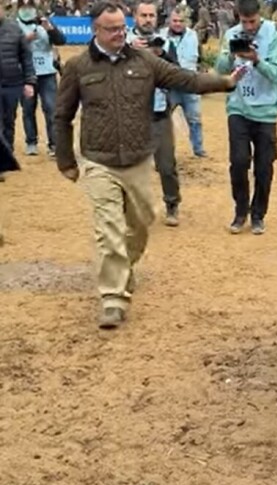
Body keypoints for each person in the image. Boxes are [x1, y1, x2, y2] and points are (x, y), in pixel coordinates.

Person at [54, 1, 244, 330]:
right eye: (111, 29)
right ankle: (113, 297)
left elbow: (184, 79)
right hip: (99, 161)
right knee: (109, 231)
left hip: (139, 158)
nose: (118, 34)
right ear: (94, 30)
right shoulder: (79, 67)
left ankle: (123, 270)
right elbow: (62, 116)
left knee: (142, 224)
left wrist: (224, 82)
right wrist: (66, 161)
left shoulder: (144, 61)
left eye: (120, 28)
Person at [215, 0, 277, 235]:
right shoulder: (232, 34)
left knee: (264, 166)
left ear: (260, 16)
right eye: (244, 21)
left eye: (252, 21)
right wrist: (230, 54)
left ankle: (258, 215)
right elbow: (220, 68)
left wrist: (257, 60)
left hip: (266, 111)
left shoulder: (272, 35)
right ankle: (240, 210)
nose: (248, 26)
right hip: (238, 108)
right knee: (238, 162)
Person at [127, 0, 183, 227]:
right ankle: (134, 209)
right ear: (135, 17)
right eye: (144, 15)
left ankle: (172, 204)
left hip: (160, 113)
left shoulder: (166, 42)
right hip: (131, 114)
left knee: (166, 165)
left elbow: (177, 73)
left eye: (151, 15)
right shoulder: (123, 42)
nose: (148, 20)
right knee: (131, 166)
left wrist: (162, 55)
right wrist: (132, 52)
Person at [17, 0, 65, 157]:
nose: (27, 9)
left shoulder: (45, 22)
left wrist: (50, 29)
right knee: (28, 109)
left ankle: (54, 144)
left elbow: (61, 41)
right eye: (23, 6)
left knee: (51, 109)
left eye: (29, 6)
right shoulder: (14, 26)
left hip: (47, 73)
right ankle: (31, 142)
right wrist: (25, 40)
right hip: (25, 74)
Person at [162, 6, 207, 158]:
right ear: (169, 21)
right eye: (174, 20)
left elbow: (195, 58)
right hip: (169, 85)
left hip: (189, 83)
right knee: (163, 120)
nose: (177, 24)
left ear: (186, 22)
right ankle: (166, 151)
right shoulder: (161, 36)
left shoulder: (192, 36)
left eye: (181, 21)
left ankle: (198, 149)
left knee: (195, 118)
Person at [0, 4, 36, 154]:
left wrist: (29, 82)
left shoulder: (14, 29)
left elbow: (26, 57)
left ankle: (7, 153)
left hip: (12, 83)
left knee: (9, 121)